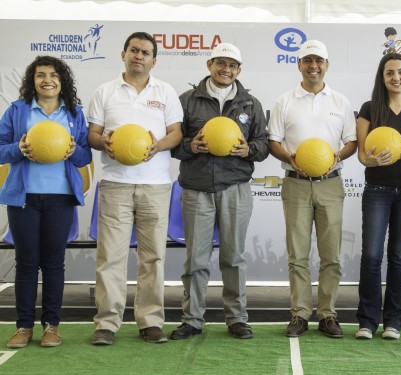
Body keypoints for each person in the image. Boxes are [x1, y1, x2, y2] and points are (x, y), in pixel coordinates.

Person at [87, 32, 183, 345]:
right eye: (133, 50)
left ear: (154, 60)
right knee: (110, 257)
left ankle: (150, 322)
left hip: (155, 186)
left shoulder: (165, 91)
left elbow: (176, 133)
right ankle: (106, 323)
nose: (138, 56)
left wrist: (158, 146)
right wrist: (105, 143)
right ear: (123, 54)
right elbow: (93, 134)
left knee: (153, 257)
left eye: (145, 52)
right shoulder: (105, 91)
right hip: (115, 184)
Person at [169, 43, 269, 340]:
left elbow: (263, 144)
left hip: (235, 187)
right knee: (195, 258)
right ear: (209, 64)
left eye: (233, 66)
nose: (226, 70)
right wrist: (190, 146)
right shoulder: (187, 100)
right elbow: (173, 143)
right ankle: (192, 319)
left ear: (239, 70)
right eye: (221, 63)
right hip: (196, 188)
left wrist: (247, 149)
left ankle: (236, 318)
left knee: (233, 257)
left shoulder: (251, 104)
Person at [0, 56, 92, 348]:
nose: (47, 80)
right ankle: (23, 327)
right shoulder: (17, 110)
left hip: (60, 197)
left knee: (53, 264)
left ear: (62, 80)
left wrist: (74, 151)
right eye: (40, 75)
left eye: (53, 75)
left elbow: (85, 156)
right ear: (33, 81)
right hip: (23, 198)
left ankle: (52, 326)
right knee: (26, 263)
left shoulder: (74, 113)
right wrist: (19, 148)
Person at [268, 40, 357, 338]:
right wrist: (288, 157)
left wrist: (337, 157)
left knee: (331, 255)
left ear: (327, 65)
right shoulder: (285, 101)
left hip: (330, 184)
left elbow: (351, 142)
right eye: (307, 60)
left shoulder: (341, 102)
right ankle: (299, 314)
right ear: (299, 65)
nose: (313, 65)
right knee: (298, 254)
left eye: (318, 60)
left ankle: (328, 314)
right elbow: (274, 142)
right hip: (295, 183)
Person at [355, 53, 401, 340]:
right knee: (372, 256)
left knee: (398, 256)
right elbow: (362, 154)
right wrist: (371, 162)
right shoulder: (369, 109)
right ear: (382, 77)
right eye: (390, 73)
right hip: (377, 190)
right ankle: (367, 321)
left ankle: (393, 322)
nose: (395, 77)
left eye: (400, 72)